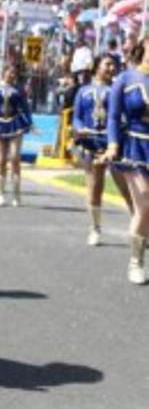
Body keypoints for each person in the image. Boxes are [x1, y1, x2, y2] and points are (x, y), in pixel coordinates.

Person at [72, 55, 132, 245]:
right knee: (95, 187)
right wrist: (79, 128)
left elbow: (125, 116)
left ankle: (140, 225)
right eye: (107, 64)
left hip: (114, 143)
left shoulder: (118, 90)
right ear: (97, 67)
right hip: (91, 143)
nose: (112, 68)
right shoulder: (83, 91)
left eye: (114, 65)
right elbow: (76, 116)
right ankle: (95, 228)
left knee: (127, 187)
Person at [104, 36, 149, 284]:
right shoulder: (125, 78)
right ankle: (136, 261)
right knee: (145, 203)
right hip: (136, 146)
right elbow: (113, 116)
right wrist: (113, 144)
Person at [0, 64, 32, 206]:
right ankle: (0, 193)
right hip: (0, 124)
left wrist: (29, 123)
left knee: (15, 157)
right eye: (10, 72)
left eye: (14, 73)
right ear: (4, 72)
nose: (12, 75)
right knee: (1, 159)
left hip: (15, 124)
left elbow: (25, 107)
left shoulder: (19, 90)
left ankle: (16, 194)